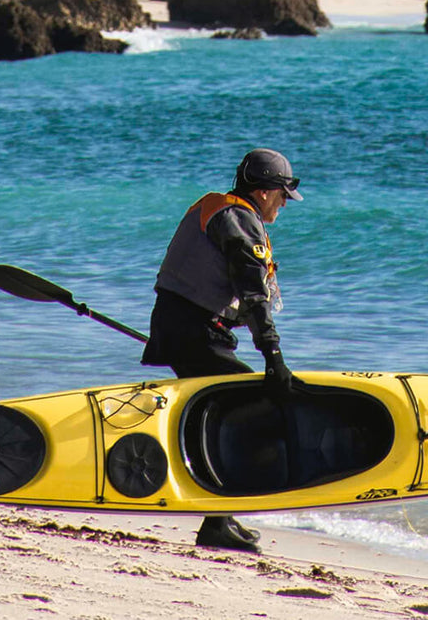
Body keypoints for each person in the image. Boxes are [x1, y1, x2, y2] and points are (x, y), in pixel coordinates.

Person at [141, 147, 304, 553]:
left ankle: (221, 515)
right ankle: (217, 521)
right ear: (264, 191)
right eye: (283, 194)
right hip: (194, 331)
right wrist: (274, 358)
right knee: (249, 410)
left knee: (223, 414)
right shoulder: (237, 221)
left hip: (185, 328)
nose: (285, 203)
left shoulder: (220, 208)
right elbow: (253, 295)